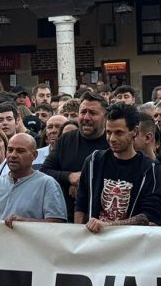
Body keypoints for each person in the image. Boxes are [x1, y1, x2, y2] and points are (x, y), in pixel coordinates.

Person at [74, 103, 161, 232]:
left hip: (130, 243)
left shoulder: (150, 169)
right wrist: (78, 233)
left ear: (134, 132)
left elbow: (149, 215)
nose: (112, 138)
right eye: (108, 132)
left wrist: (108, 226)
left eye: (119, 133)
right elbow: (81, 203)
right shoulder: (94, 161)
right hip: (93, 241)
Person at [0, 133, 66, 227]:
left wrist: (25, 223)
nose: (13, 155)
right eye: (10, 150)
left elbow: (56, 224)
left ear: (34, 155)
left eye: (20, 151)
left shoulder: (47, 184)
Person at [42, 93, 111, 221]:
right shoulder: (66, 139)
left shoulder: (112, 142)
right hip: (66, 216)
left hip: (102, 218)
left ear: (105, 117)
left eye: (93, 113)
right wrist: (69, 177)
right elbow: (45, 171)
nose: (86, 117)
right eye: (83, 112)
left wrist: (84, 182)